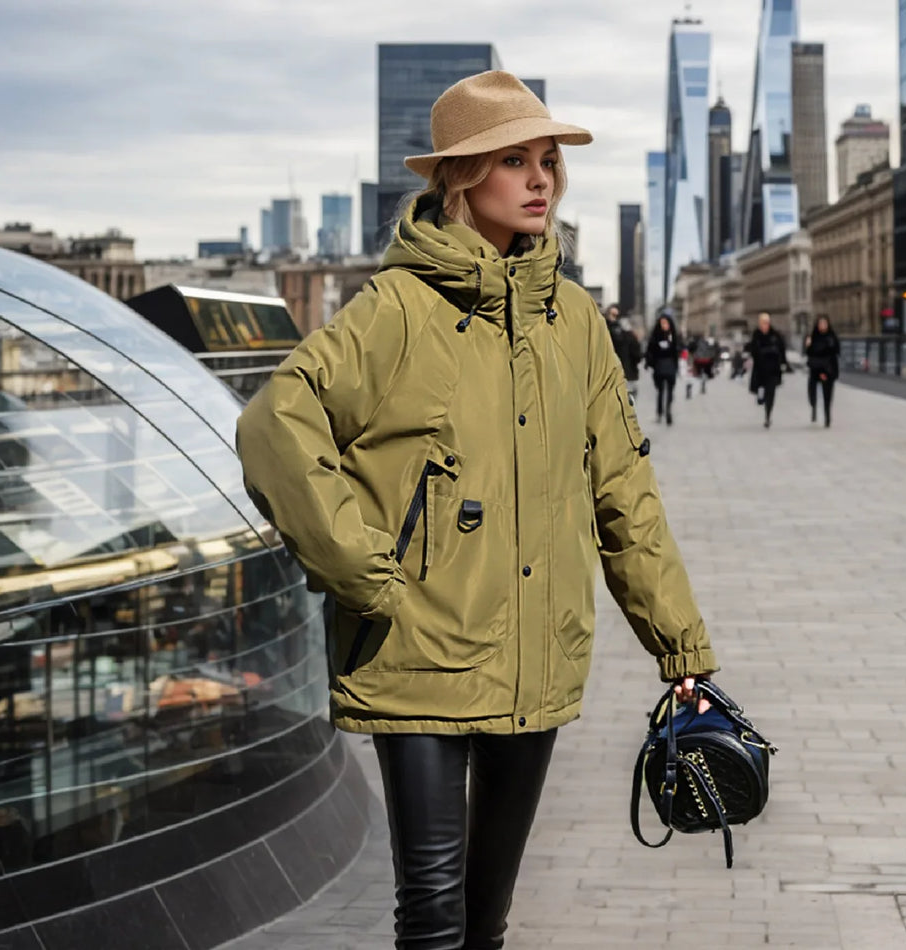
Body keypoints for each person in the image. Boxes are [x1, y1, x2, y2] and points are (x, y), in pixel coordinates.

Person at [235, 71, 717, 950]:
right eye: (514, 160)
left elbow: (623, 490)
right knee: (432, 915)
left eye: (547, 161)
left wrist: (680, 645)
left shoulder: (574, 320)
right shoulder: (396, 309)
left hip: (537, 649)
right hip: (416, 646)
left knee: (485, 916)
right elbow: (276, 424)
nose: (541, 179)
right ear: (460, 179)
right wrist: (363, 573)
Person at [747, 311, 790, 428]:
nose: (764, 325)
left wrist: (784, 364)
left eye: (766, 322)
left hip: (773, 370)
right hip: (760, 370)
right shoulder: (756, 335)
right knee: (761, 393)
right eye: (762, 322)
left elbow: (782, 350)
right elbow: (753, 350)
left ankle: (768, 416)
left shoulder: (775, 335)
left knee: (771, 393)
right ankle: (761, 400)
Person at [645, 311, 680, 424]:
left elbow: (677, 351)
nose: (664, 325)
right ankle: (660, 413)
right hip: (659, 366)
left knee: (669, 391)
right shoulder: (656, 336)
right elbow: (650, 351)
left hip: (669, 366)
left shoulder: (673, 337)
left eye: (666, 323)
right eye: (662, 323)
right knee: (660, 391)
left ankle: (667, 411)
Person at [804, 316, 840, 427]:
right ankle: (813, 406)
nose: (823, 326)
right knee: (812, 390)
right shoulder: (813, 337)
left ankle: (827, 416)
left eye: (825, 323)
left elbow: (836, 351)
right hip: (815, 368)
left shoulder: (832, 337)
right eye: (821, 323)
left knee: (827, 394)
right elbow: (809, 353)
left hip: (828, 368)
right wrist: (808, 346)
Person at [604, 304, 641, 401]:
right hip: (613, 373)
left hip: (626, 372)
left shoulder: (625, 334)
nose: (614, 318)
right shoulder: (604, 331)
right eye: (612, 315)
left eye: (616, 315)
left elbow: (636, 353)